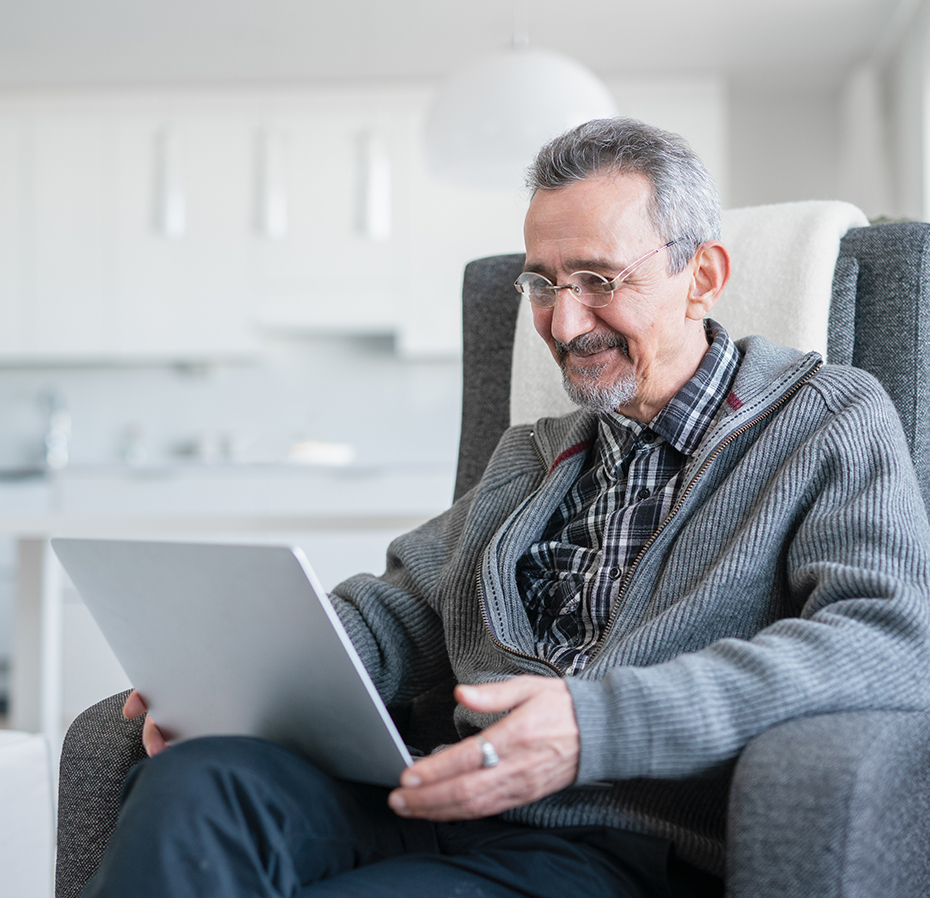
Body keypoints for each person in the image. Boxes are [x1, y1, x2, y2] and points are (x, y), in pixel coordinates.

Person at [83, 118, 930, 898]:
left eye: (599, 280)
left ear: (700, 275)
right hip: (441, 796)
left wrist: (593, 725)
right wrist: (229, 679)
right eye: (542, 283)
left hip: (612, 842)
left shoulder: (827, 419)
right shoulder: (533, 452)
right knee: (196, 780)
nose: (564, 323)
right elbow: (397, 613)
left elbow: (887, 638)